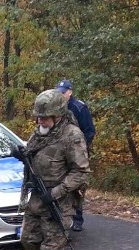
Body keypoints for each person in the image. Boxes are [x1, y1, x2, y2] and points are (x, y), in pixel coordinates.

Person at [17, 89, 90, 250]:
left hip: (60, 201)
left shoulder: (71, 135)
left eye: (45, 117)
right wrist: (22, 155)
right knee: (28, 240)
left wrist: (56, 193)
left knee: (50, 248)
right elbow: (33, 156)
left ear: (58, 115)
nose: (41, 120)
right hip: (38, 196)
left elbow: (81, 171)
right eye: (38, 117)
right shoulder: (39, 133)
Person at [56, 79, 95, 232]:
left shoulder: (79, 107)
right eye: (59, 92)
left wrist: (80, 148)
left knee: (77, 185)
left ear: (70, 92)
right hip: (60, 153)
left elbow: (89, 131)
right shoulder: (56, 106)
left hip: (78, 153)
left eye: (63, 92)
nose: (61, 95)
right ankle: (63, 217)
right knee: (61, 183)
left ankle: (78, 218)